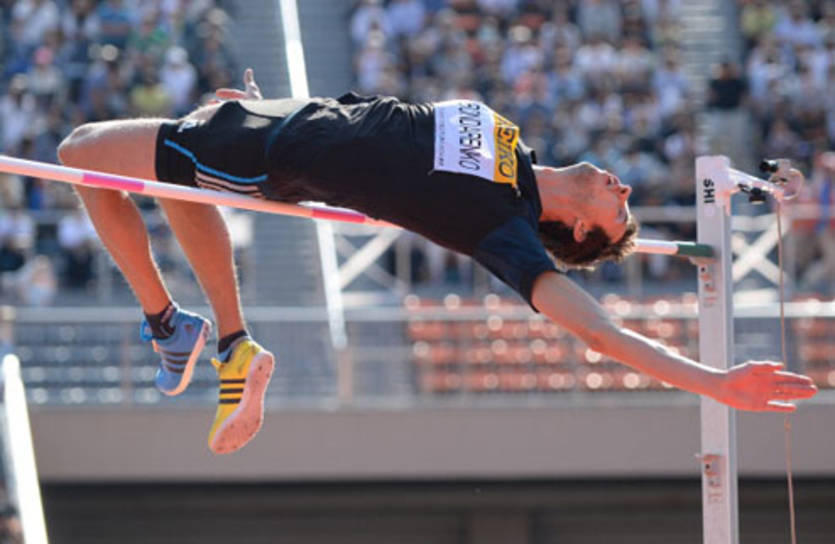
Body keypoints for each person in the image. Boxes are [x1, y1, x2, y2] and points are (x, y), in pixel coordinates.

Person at [56, 69, 818, 455]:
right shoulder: (510, 142)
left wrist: (710, 382)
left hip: (278, 151)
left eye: (618, 212)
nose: (622, 190)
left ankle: (187, 330)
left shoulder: (503, 226)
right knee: (166, 176)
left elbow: (597, 332)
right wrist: (271, 101)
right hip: (290, 121)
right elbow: (376, 122)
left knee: (82, 154)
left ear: (577, 230)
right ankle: (207, 337)